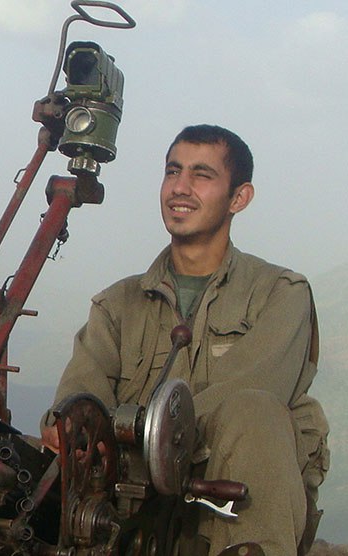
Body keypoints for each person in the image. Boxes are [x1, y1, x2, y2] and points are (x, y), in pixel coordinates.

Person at [40, 125, 329, 555]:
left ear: (239, 198)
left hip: (230, 510)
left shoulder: (279, 294)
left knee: (256, 411)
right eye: (172, 172)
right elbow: (82, 395)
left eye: (201, 175)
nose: (180, 187)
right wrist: (71, 431)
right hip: (127, 518)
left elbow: (257, 387)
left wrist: (146, 433)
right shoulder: (117, 305)